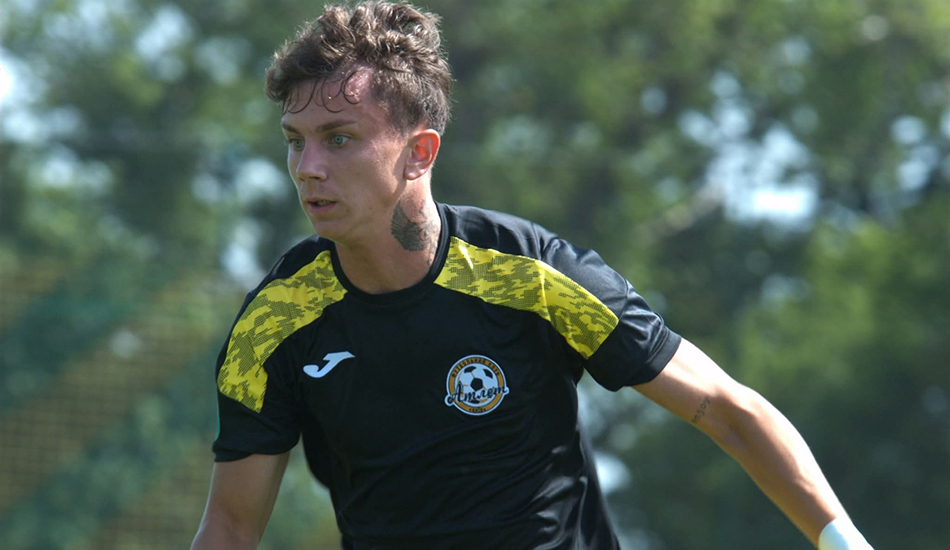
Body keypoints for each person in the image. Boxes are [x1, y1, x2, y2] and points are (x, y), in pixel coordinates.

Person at [190, 2, 875, 549]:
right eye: (295, 142)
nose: (308, 168)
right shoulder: (272, 326)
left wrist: (843, 542)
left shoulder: (534, 278)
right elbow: (229, 529)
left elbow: (728, 411)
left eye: (339, 139)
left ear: (419, 153)